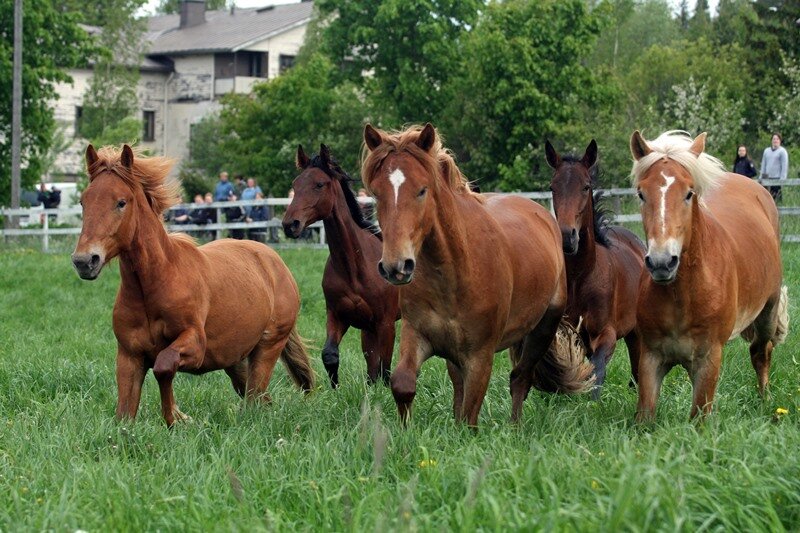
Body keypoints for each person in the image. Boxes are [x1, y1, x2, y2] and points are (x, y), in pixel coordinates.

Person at [760, 133, 789, 202]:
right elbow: (763, 164)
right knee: (767, 199)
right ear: (771, 140)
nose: (775, 140)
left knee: (776, 199)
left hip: (777, 178)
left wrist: (782, 179)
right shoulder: (766, 151)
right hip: (767, 178)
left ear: (780, 141)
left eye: (777, 139)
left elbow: (784, 166)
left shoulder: (782, 151)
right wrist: (761, 177)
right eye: (774, 139)